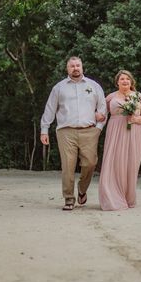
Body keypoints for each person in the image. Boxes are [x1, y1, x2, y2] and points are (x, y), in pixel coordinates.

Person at [40, 56, 106, 211]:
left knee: (90, 163)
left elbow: (103, 108)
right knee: (68, 166)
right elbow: (50, 109)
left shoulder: (94, 86)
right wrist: (44, 129)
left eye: (78, 65)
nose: (75, 68)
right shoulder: (59, 88)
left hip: (89, 130)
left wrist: (99, 127)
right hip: (65, 131)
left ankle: (82, 189)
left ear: (82, 67)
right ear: (67, 68)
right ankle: (69, 198)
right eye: (72, 66)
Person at [98, 70, 141, 211]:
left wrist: (135, 119)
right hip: (115, 132)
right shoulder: (110, 97)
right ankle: (111, 198)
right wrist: (97, 118)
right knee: (112, 162)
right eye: (122, 79)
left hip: (134, 132)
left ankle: (128, 198)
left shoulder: (138, 97)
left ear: (132, 82)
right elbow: (102, 113)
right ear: (117, 82)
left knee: (130, 164)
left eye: (127, 79)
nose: (125, 81)